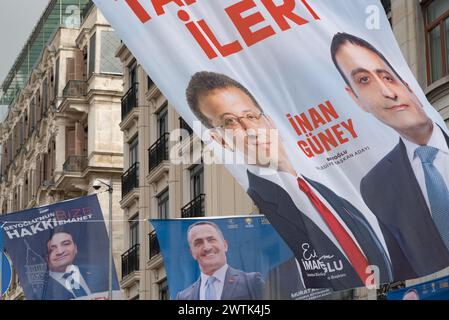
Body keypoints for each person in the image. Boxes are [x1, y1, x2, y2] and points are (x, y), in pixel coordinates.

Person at [185, 71, 393, 290]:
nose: (251, 130)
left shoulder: (327, 190)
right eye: (230, 122)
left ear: (269, 120)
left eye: (252, 116)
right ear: (220, 140)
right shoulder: (263, 211)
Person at [331, 32, 449, 279]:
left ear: (406, 84)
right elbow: (404, 273)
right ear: (356, 99)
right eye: (364, 80)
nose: (387, 92)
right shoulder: (375, 186)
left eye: (387, 77)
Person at [176, 221, 264, 300]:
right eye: (198, 243)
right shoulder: (183, 297)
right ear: (192, 253)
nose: (207, 247)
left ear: (225, 245)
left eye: (211, 240)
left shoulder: (251, 282)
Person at [41, 229, 108, 300]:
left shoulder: (99, 273)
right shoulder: (41, 289)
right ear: (45, 256)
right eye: (52, 248)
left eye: (66, 244)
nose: (60, 252)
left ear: (75, 248)